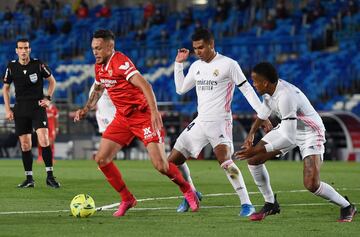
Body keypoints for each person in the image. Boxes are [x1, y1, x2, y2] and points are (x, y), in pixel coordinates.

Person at [74, 29, 199, 217]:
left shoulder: (121, 63)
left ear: (110, 47)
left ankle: (188, 190)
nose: (95, 52)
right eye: (93, 49)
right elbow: (99, 88)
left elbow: (145, 85)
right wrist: (86, 108)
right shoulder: (99, 66)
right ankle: (127, 198)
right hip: (123, 118)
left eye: (98, 48)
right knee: (101, 159)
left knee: (161, 166)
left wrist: (154, 112)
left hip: (142, 116)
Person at [235, 62, 357, 222]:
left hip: (310, 133)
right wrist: (251, 135)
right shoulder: (268, 91)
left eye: (255, 81)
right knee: (254, 160)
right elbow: (264, 113)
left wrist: (256, 149)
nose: (253, 84)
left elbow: (289, 138)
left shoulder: (286, 96)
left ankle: (347, 206)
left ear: (265, 82)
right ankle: (270, 203)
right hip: (289, 126)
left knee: (311, 184)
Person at [170, 28, 272, 215]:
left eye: (201, 47)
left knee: (225, 162)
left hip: (220, 121)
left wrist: (262, 114)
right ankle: (190, 193)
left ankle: (246, 204)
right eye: (195, 49)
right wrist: (178, 65)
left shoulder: (228, 64)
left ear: (211, 45)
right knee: (172, 162)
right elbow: (180, 89)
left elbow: (247, 90)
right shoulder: (196, 66)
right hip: (200, 121)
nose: (198, 52)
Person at [2, 38, 60, 188]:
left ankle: (50, 177)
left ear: (29, 49)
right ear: (16, 50)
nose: (23, 51)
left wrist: (48, 98)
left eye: (26, 48)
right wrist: (8, 109)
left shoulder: (38, 64)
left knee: (44, 139)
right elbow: (5, 89)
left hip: (37, 107)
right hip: (20, 108)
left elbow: (52, 81)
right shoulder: (11, 66)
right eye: (20, 48)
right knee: (25, 144)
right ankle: (29, 179)